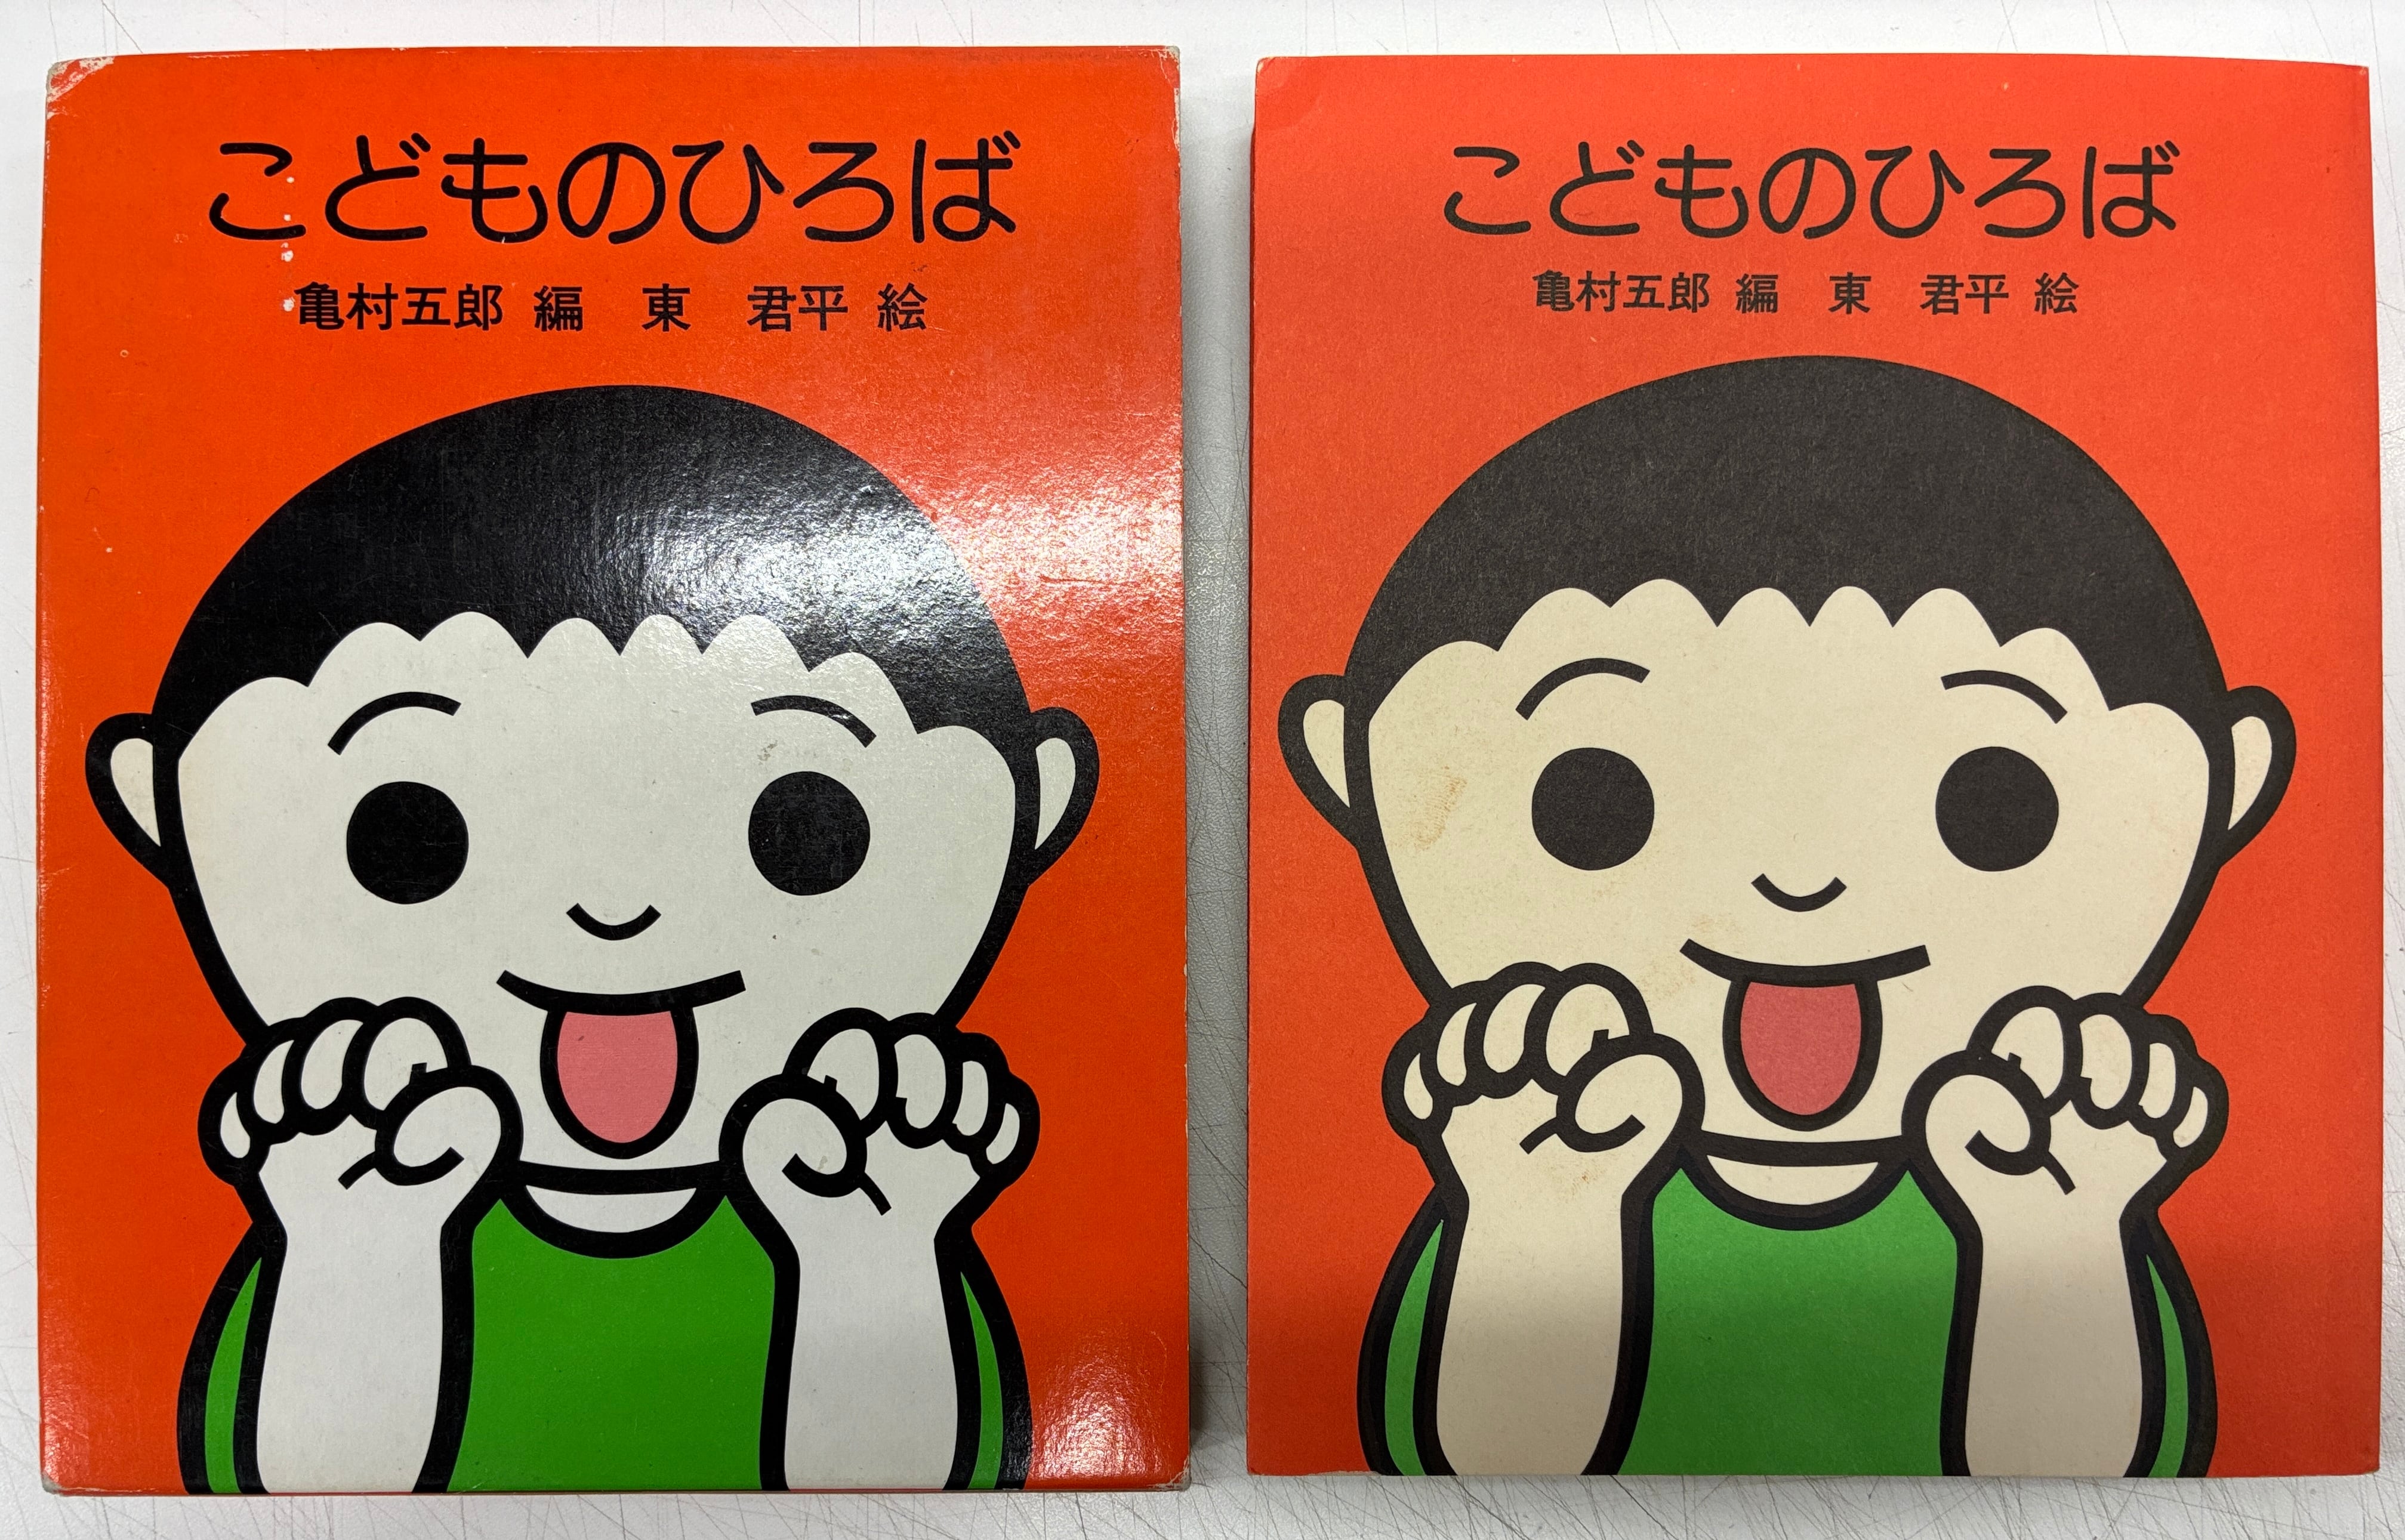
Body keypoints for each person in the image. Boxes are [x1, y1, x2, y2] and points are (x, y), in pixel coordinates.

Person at [1278, 356, 2292, 1477]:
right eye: (1593, 797)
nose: (1798, 879)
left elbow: (2091, 1465)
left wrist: (2061, 1236)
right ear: (1351, 767)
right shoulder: (1525, 1150)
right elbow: (1475, 1456)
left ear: (2225, 787)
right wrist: (1535, 1214)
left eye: (1992, 803)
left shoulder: (2056, 1172)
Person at [88, 385, 1096, 1493]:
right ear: (165, 808)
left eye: (802, 826)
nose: (614, 910)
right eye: (410, 834)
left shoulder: (869, 1195)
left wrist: (878, 1257)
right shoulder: (344, 1190)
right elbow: (280, 1482)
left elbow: (929, 1480)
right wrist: (349, 1255)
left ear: (1029, 807)